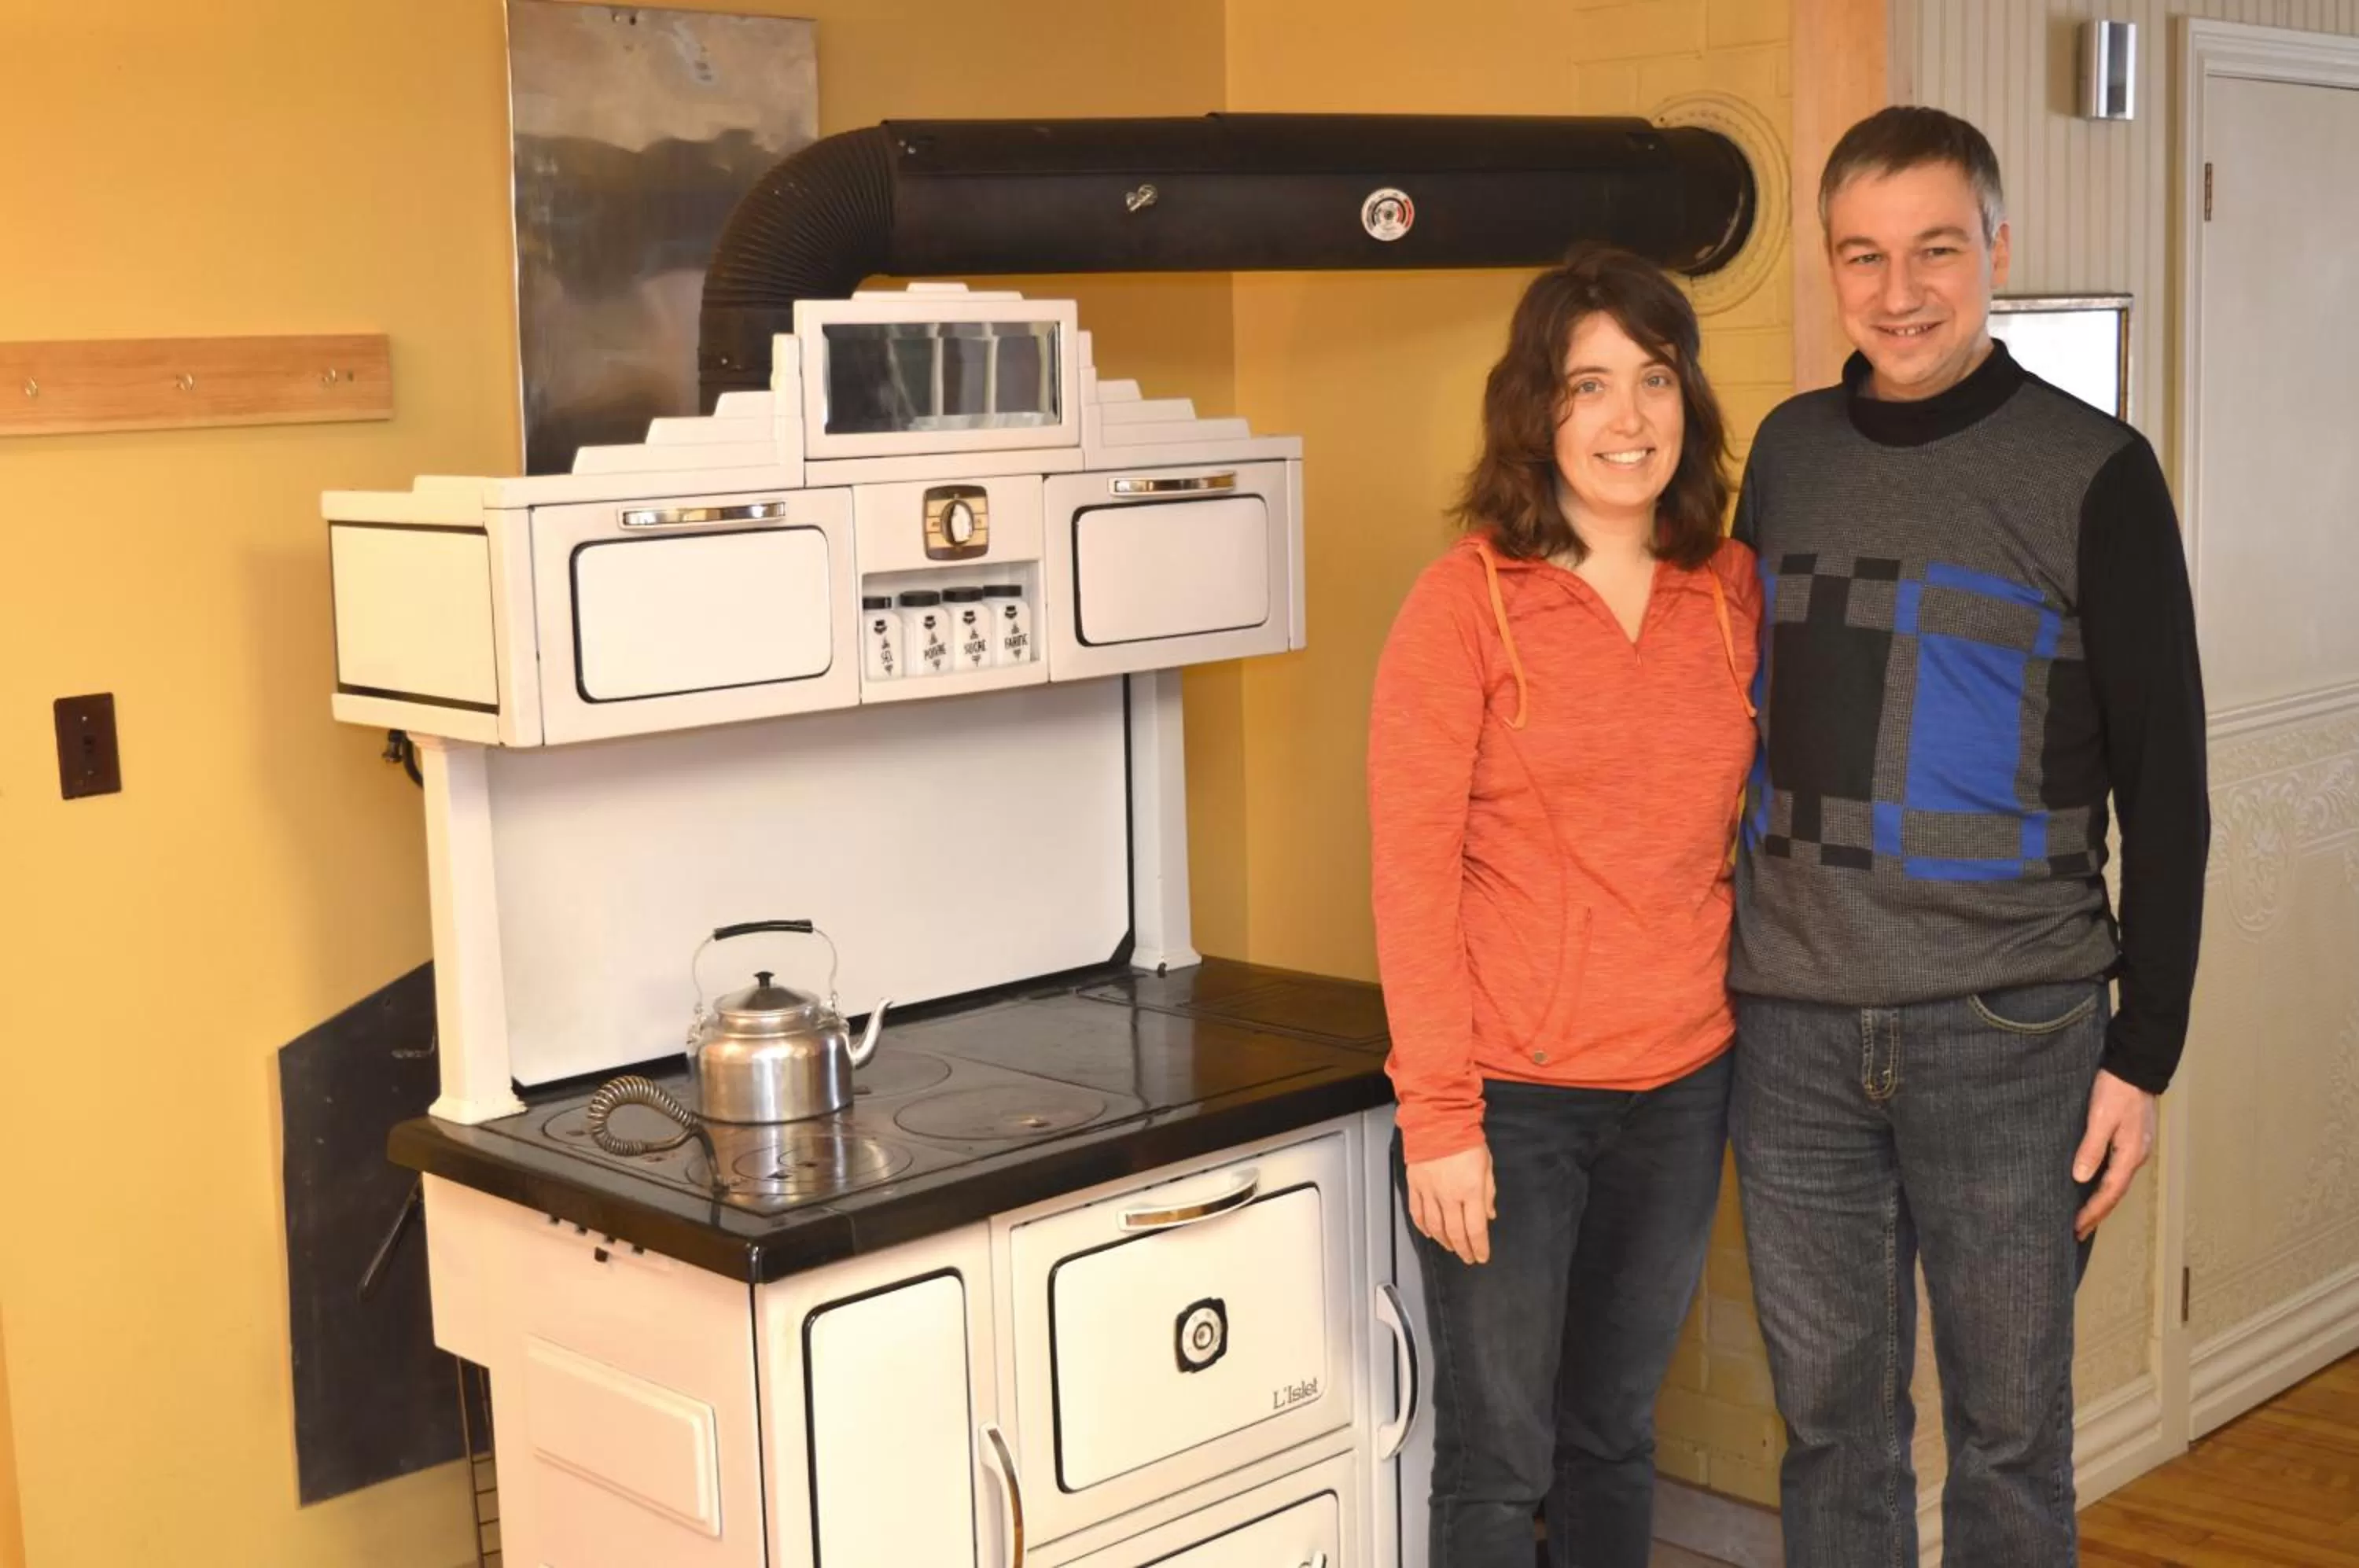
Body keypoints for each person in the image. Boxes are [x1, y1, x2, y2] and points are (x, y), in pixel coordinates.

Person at [1727, 106, 2209, 1566]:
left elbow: (2168, 784)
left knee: (2009, 1441)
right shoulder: (1787, 451)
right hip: (1793, 1030)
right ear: (1831, 267)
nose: (1899, 290)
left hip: (2014, 1027)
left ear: (1996, 247)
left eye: (1936, 247)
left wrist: (2145, 1049)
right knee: (1831, 1430)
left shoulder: (2096, 470)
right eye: (1862, 256)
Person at [1368, 242, 1761, 1568]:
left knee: (1613, 1431)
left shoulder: (1731, 590)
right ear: (1538, 411)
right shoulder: (1462, 605)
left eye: (1654, 380)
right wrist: (1441, 1120)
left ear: (1687, 401)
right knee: (1498, 1456)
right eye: (1589, 386)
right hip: (1509, 1106)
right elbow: (1411, 872)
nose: (1628, 418)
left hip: (1681, 1082)